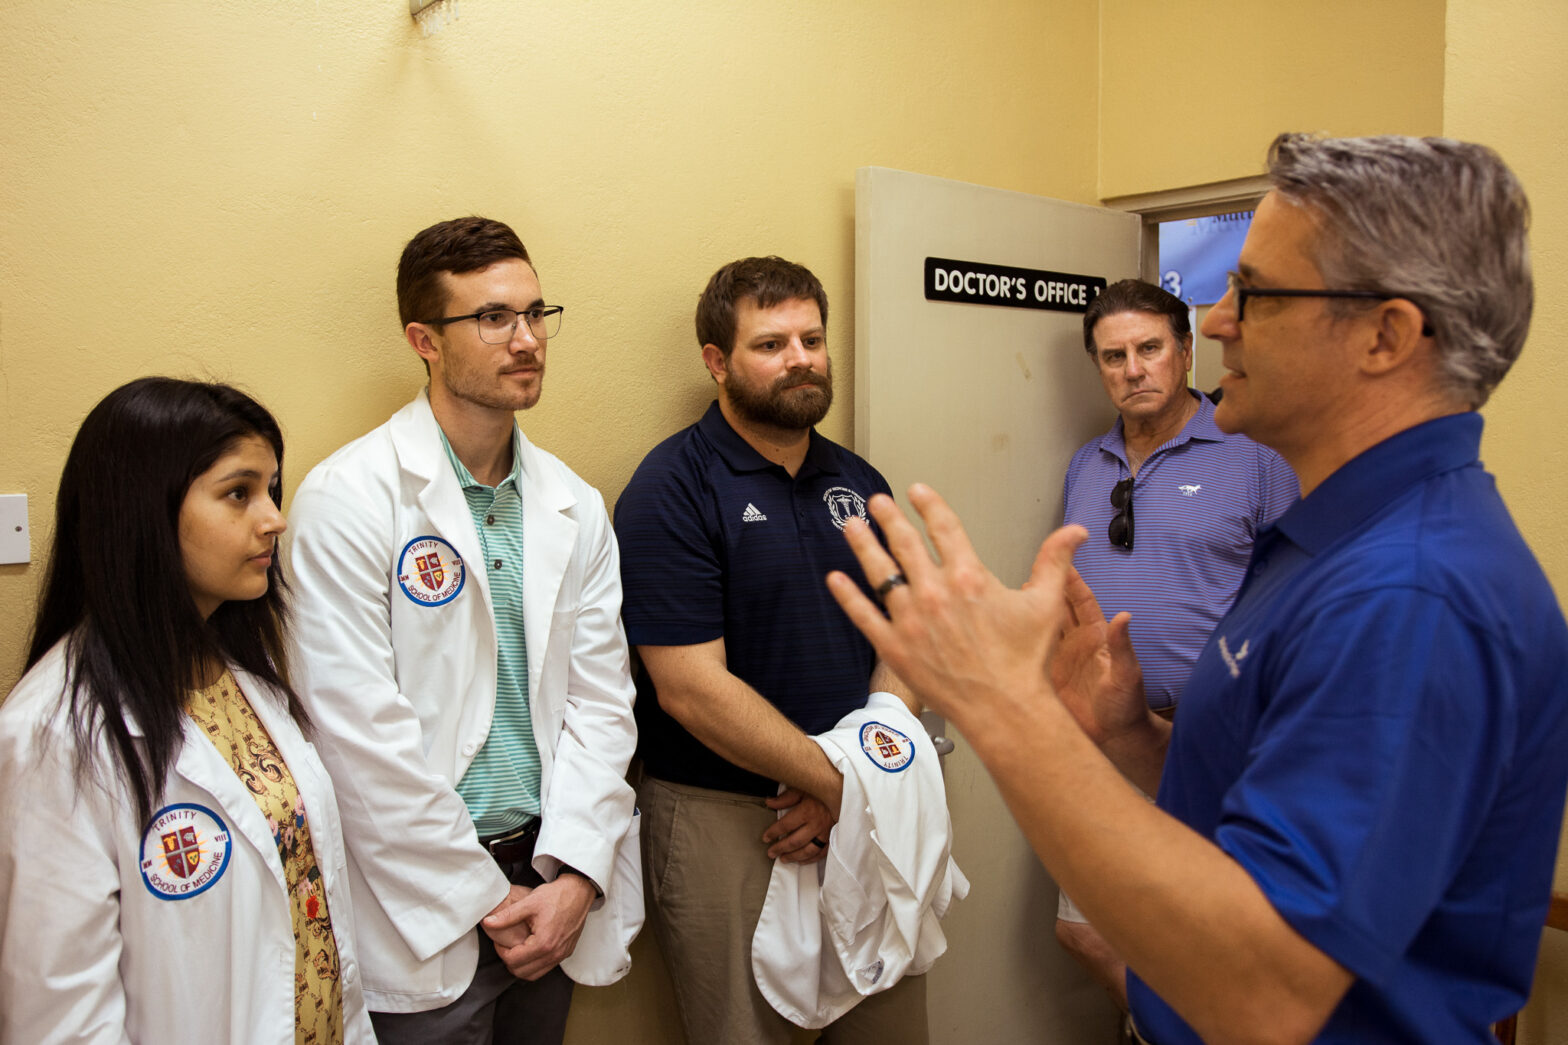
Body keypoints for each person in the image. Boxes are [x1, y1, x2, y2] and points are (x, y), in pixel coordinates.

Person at [824, 134, 1568, 1044]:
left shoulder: (1409, 594)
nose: (1215, 323)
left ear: (1387, 336)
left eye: (1252, 294)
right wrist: (1130, 736)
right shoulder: (1335, 540)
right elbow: (1266, 808)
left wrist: (1003, 708)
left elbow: (1264, 990)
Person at [287, 217, 640, 1045]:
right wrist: (485, 897)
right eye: (492, 318)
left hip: (550, 883)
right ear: (424, 340)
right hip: (425, 900)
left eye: (535, 314)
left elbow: (602, 703)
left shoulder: (572, 505)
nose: (526, 340)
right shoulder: (348, 499)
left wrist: (578, 873)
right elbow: (356, 735)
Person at [614, 256, 932, 1044]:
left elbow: (909, 632)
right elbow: (689, 687)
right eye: (772, 343)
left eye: (812, 338)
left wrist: (856, 783)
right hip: (732, 822)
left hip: (858, 802)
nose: (801, 358)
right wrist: (838, 786)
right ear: (717, 362)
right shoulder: (672, 488)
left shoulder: (858, 480)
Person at [0, 377, 375, 1044]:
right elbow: (60, 1017)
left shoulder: (243, 675)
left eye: (271, 489)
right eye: (239, 493)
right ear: (143, 509)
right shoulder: (52, 734)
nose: (274, 518)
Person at [1057, 278, 1297, 1004]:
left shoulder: (1254, 455)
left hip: (1212, 741)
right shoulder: (1084, 464)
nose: (1133, 369)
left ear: (1186, 350)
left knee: (1211, 931)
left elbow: (1292, 597)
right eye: (1113, 356)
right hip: (1104, 739)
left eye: (1150, 349)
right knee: (1087, 928)